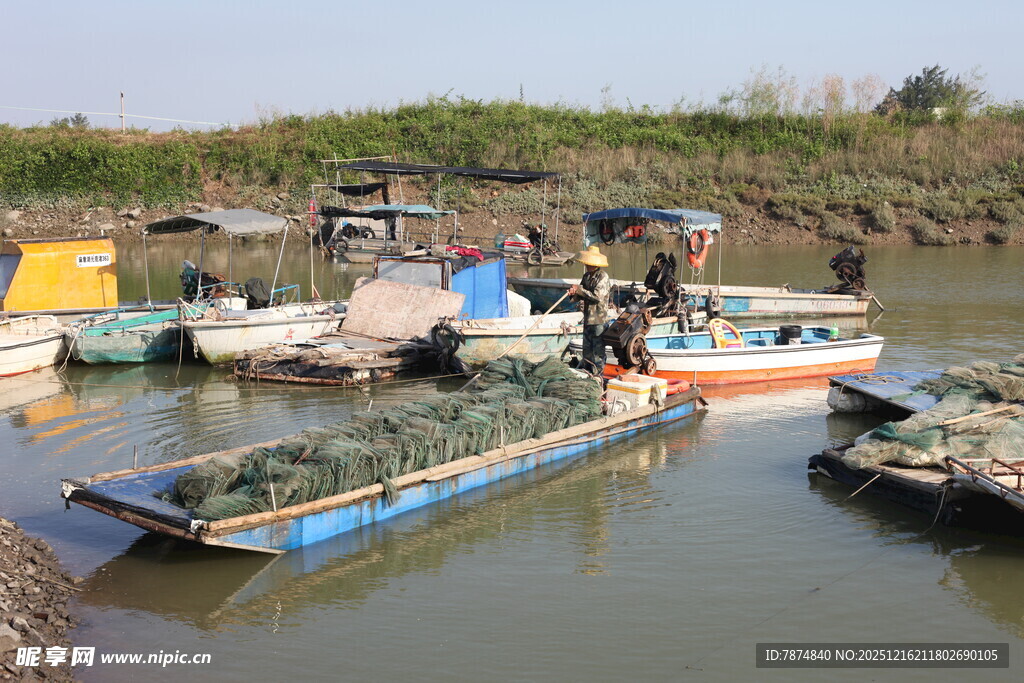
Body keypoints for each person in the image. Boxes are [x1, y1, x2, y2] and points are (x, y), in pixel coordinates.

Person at [568, 245, 611, 375]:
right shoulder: (586, 276)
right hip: (588, 318)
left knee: (597, 351)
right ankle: (587, 371)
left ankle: (598, 375)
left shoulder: (602, 277)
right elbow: (581, 294)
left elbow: (597, 297)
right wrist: (573, 293)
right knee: (587, 349)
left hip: (598, 319)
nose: (588, 266)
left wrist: (579, 289)